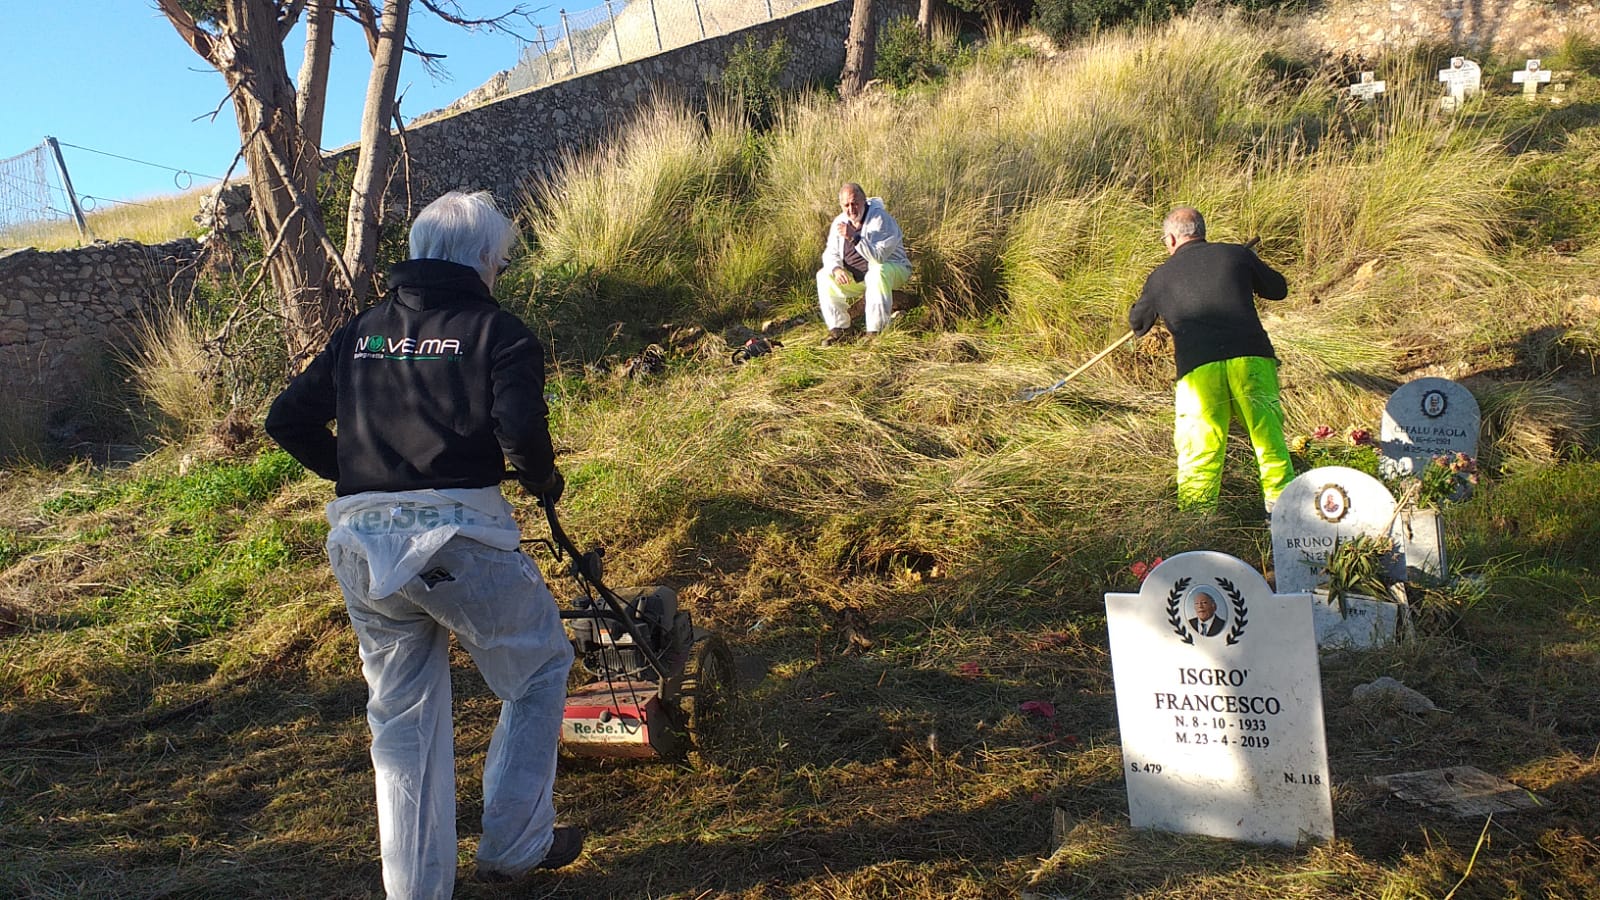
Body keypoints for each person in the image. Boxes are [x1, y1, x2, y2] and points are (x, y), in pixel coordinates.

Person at [265, 190, 581, 898]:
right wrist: (542, 481)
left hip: (360, 546)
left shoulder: (363, 330)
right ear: (479, 259)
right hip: (457, 541)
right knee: (536, 671)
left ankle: (415, 890)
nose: (498, 273)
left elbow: (286, 418)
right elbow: (522, 432)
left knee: (402, 721)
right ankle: (515, 844)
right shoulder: (499, 332)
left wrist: (357, 474)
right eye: (498, 261)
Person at [1128, 206, 1294, 516]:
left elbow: (1138, 324)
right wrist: (1246, 266)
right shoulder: (1235, 255)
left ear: (1173, 238)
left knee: (1199, 454)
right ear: (1201, 231)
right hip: (1250, 361)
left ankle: (1197, 530)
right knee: (1269, 445)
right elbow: (1278, 289)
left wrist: (1151, 299)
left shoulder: (1160, 276)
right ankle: (1284, 521)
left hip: (1198, 372)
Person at [816, 182, 912, 345]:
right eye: (846, 205)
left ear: (864, 201)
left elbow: (878, 257)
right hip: (857, 277)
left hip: (893, 270)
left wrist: (855, 237)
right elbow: (830, 252)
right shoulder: (839, 222)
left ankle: (876, 332)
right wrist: (837, 268)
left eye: (855, 203)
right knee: (824, 276)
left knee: (876, 272)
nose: (851, 209)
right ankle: (842, 330)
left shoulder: (880, 219)